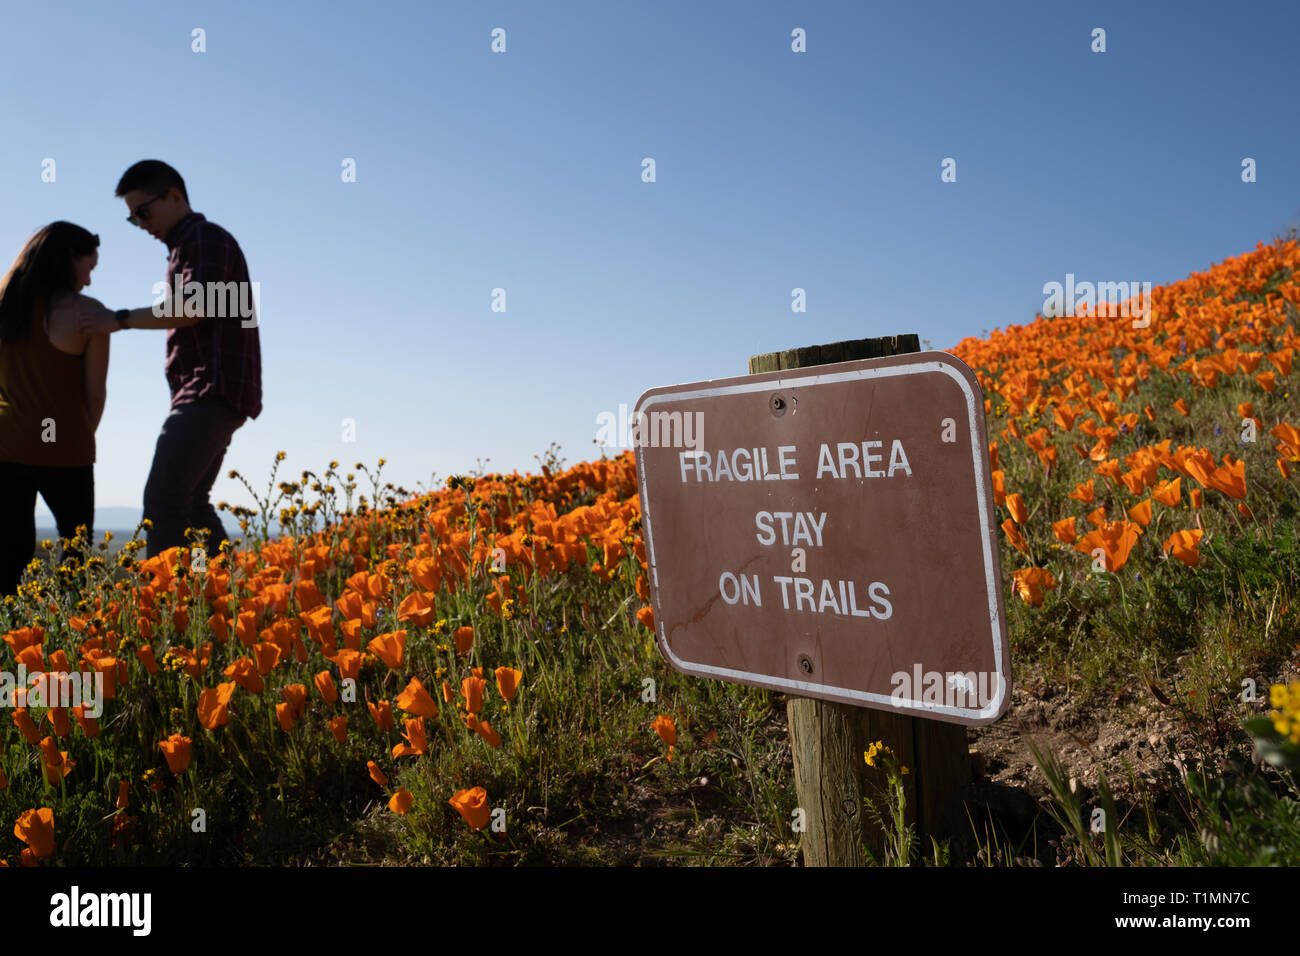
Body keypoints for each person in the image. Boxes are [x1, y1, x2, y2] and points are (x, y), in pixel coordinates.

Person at [80, 160, 262, 561]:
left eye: (143, 211)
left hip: (210, 390)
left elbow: (196, 305)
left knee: (164, 503)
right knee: (193, 505)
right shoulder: (188, 245)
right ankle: (219, 600)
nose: (141, 224)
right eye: (132, 219)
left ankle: (172, 609)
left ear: (174, 196)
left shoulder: (203, 237)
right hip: (214, 392)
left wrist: (119, 319)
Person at [0, 223, 111, 596]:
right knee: (75, 557)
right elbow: (95, 395)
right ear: (69, 260)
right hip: (67, 449)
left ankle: (11, 644)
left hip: (7, 444)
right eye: (89, 268)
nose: (90, 281)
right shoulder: (89, 315)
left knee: (9, 556)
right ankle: (74, 646)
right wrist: (80, 439)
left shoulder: (3, 301)